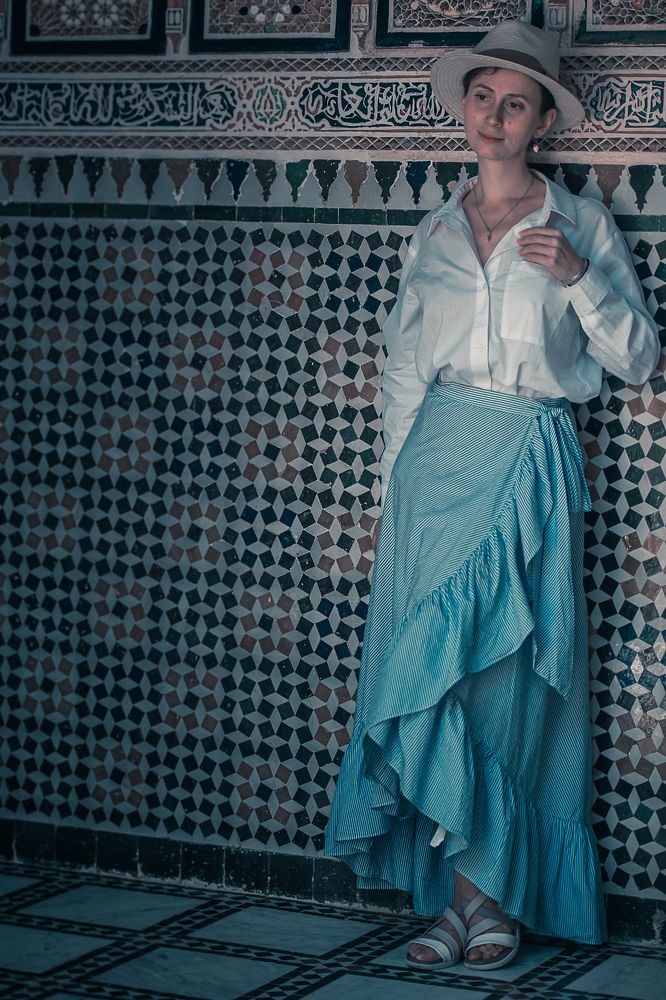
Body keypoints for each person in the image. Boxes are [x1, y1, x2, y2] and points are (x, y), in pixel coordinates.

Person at [322, 19, 660, 973]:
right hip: (432, 473)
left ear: (543, 122)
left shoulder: (580, 225)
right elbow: (403, 374)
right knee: (433, 685)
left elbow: (637, 359)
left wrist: (580, 279)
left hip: (525, 462)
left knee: (503, 687)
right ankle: (449, 902)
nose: (495, 116)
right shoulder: (433, 231)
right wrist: (392, 495)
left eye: (516, 103)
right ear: (466, 110)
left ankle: (487, 901)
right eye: (482, 98)